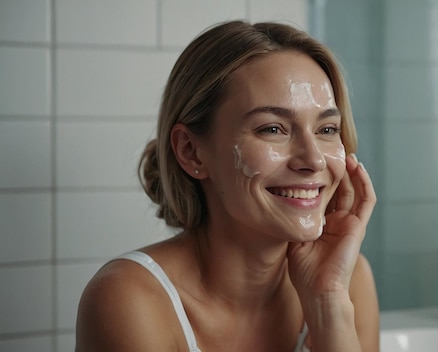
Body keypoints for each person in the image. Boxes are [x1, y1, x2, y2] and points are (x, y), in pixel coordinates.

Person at [75, 20, 378, 352]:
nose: (315, 160)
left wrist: (328, 304)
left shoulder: (346, 280)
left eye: (327, 129)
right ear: (192, 152)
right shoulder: (129, 299)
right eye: (272, 129)